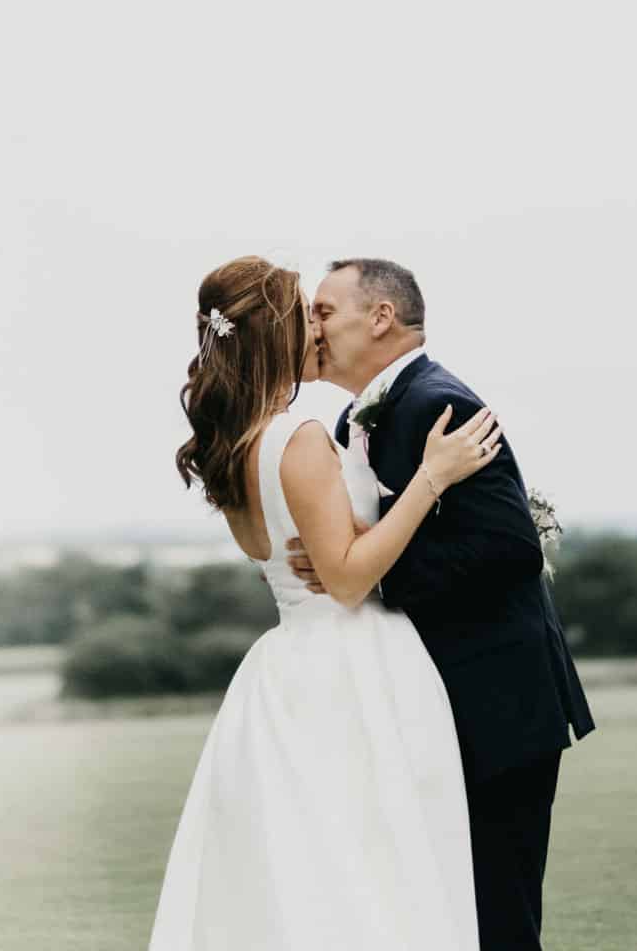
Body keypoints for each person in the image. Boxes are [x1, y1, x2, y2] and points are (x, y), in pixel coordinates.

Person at [150, 255, 501, 950]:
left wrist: (356, 537)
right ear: (276, 333)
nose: (316, 324)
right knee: (373, 866)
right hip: (351, 667)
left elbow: (290, 557)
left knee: (310, 865)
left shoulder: (233, 445)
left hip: (285, 670)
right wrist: (432, 478)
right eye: (305, 312)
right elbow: (343, 580)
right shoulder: (296, 437)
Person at [290, 258, 595, 950]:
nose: (312, 327)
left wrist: (368, 571)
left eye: (324, 311)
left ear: (381, 317)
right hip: (426, 700)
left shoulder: (437, 403)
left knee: (498, 917)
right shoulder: (355, 416)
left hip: (495, 702)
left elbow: (510, 547)